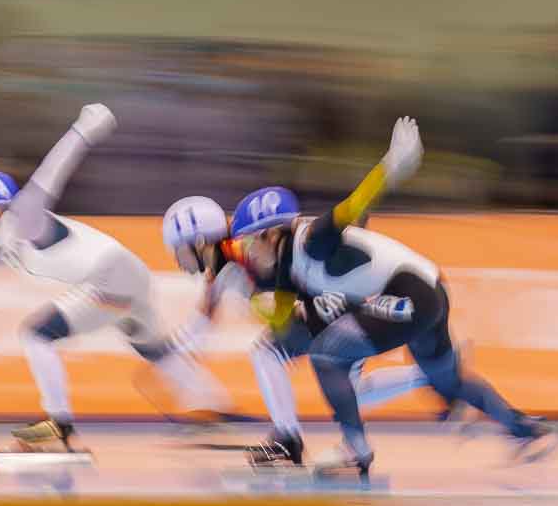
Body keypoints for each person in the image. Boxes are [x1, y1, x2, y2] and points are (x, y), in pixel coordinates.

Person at [230, 117, 558, 479]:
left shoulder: (313, 240)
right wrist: (252, 303)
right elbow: (281, 327)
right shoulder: (286, 273)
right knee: (447, 381)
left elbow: (355, 206)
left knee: (327, 353)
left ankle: (356, 450)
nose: (246, 253)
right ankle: (524, 428)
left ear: (273, 235)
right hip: (426, 292)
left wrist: (392, 164)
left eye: (249, 242)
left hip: (409, 291)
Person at [0, 103, 224, 457]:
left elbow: (50, 174)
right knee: (152, 349)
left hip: (114, 276)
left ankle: (59, 426)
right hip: (128, 275)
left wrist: (84, 128)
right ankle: (212, 404)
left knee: (37, 334)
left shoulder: (22, 218)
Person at [160, 195, 436, 467]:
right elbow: (200, 326)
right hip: (331, 302)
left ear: (198, 242)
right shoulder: (222, 267)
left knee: (267, 352)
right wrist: (163, 353)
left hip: (329, 301)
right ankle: (426, 375)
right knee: (354, 393)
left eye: (177, 250)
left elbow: (294, 246)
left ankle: (288, 439)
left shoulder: (239, 253)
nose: (176, 259)